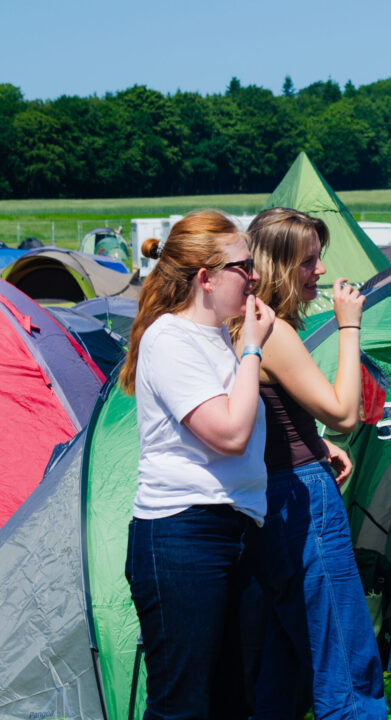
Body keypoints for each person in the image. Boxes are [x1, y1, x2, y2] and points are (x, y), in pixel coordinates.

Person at [119, 210, 274, 719]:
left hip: (237, 527)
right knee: (183, 704)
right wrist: (252, 349)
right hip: (182, 531)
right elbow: (229, 433)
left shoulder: (217, 342)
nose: (254, 275)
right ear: (206, 278)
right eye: (243, 265)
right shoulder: (169, 338)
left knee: (237, 698)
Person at [240, 207, 385, 720]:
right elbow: (345, 413)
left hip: (259, 495)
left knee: (279, 664)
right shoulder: (272, 330)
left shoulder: (239, 322)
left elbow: (261, 414)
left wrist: (313, 442)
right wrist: (350, 327)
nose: (320, 271)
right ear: (277, 266)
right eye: (308, 262)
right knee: (344, 658)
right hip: (298, 500)